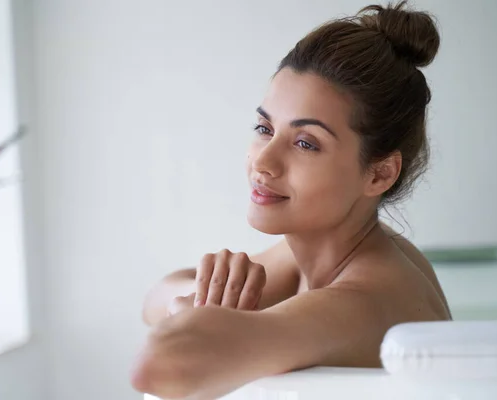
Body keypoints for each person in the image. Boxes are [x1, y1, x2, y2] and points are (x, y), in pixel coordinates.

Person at [131, 1, 451, 398]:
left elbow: (161, 367)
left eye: (305, 143)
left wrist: (196, 312)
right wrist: (204, 296)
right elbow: (154, 297)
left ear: (380, 173)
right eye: (264, 127)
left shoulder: (365, 302)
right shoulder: (315, 255)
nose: (263, 162)